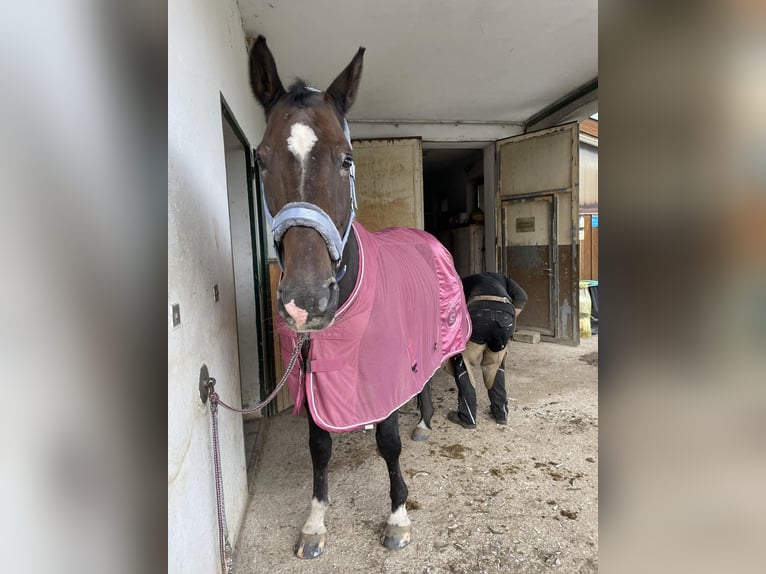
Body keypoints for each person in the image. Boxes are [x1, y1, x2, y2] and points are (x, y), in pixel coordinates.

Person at [446, 272, 527, 428]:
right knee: (495, 365)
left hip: (478, 314)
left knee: (464, 363)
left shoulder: (464, 281)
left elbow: (451, 302)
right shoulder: (504, 279)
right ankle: (500, 413)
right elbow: (522, 297)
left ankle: (467, 417)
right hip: (505, 317)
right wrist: (508, 318)